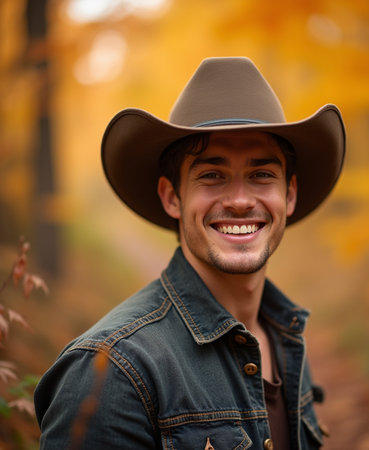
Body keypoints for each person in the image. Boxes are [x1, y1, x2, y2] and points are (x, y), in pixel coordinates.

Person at [34, 57, 345, 449]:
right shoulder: (111, 371)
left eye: (262, 174)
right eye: (212, 175)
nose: (238, 201)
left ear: (290, 194)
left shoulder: (285, 337)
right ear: (172, 197)